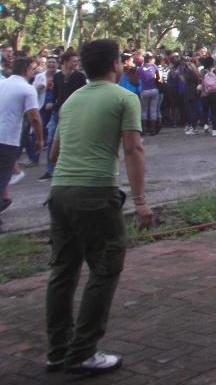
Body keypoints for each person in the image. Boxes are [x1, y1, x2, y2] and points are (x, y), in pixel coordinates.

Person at [45, 38, 154, 375]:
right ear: (115, 65)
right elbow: (133, 149)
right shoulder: (124, 97)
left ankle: (58, 350)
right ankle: (83, 352)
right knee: (105, 267)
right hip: (95, 192)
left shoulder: (71, 100)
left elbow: (54, 154)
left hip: (60, 191)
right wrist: (140, 201)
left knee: (63, 271)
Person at [0, 57, 44, 228]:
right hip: (7, 139)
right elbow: (34, 117)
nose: (34, 73)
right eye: (32, 69)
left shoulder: (2, 83)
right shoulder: (27, 89)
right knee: (3, 177)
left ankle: (5, 201)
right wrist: (39, 139)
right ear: (26, 70)